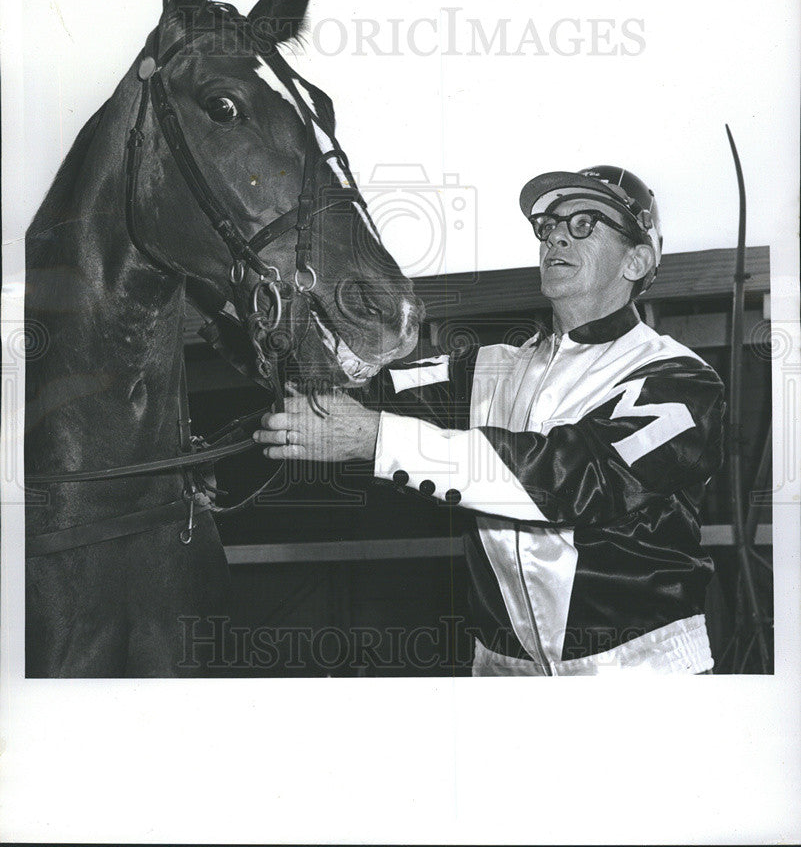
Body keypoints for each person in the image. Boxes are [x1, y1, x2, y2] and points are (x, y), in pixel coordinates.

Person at [254, 165, 725, 675]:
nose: (556, 237)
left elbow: (575, 479)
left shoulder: (680, 380)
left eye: (584, 223)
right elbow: (356, 388)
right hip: (501, 677)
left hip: (642, 679)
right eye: (548, 225)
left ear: (637, 260)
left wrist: (373, 438)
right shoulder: (486, 367)